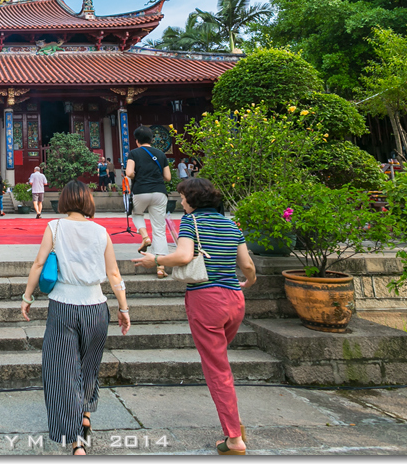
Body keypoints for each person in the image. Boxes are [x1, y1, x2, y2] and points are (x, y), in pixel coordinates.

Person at [133, 177, 256, 455]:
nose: (181, 202)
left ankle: (234, 437)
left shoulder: (192, 222)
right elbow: (247, 264)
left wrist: (155, 260)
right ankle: (233, 420)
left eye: (183, 197)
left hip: (206, 299)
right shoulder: (231, 224)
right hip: (235, 300)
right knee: (220, 362)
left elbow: (184, 256)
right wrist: (249, 281)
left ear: (192, 199)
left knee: (217, 369)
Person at [21, 180, 131, 455]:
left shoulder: (55, 227)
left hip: (64, 306)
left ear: (64, 201)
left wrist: (27, 297)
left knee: (62, 371)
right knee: (88, 366)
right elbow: (114, 274)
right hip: (96, 306)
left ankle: (75, 440)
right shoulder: (101, 231)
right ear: (89, 202)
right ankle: (85, 413)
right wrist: (124, 308)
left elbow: (38, 263)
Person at [127, 126, 171, 278]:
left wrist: (136, 175)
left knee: (137, 213)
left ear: (137, 140)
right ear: (152, 139)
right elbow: (168, 177)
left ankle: (145, 236)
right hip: (159, 191)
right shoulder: (160, 154)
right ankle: (161, 267)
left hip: (141, 191)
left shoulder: (134, 153)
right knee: (159, 228)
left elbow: (128, 173)